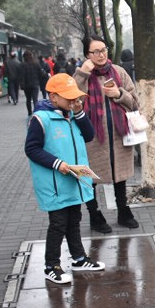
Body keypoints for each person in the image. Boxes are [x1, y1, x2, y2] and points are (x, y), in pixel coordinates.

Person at [25, 73, 105, 284]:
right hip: (55, 183)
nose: (74, 101)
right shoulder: (41, 119)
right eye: (69, 97)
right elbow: (31, 149)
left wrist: (79, 113)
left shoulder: (72, 114)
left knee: (74, 220)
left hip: (73, 181)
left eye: (76, 97)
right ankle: (51, 265)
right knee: (58, 224)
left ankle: (79, 258)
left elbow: (89, 136)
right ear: (53, 97)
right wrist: (56, 163)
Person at [74, 35, 140, 233]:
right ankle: (95, 215)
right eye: (96, 51)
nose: (101, 55)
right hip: (92, 136)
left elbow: (135, 101)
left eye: (103, 50)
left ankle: (123, 211)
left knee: (119, 175)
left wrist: (119, 94)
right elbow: (72, 100)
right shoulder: (82, 75)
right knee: (90, 177)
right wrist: (82, 75)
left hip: (119, 135)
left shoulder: (119, 72)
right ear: (88, 54)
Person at [20, 51, 46, 116]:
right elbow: (41, 73)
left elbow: (22, 75)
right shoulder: (36, 63)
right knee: (35, 99)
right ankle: (36, 112)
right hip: (35, 84)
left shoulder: (23, 65)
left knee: (28, 99)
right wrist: (39, 80)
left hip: (27, 85)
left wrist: (22, 84)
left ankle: (29, 112)